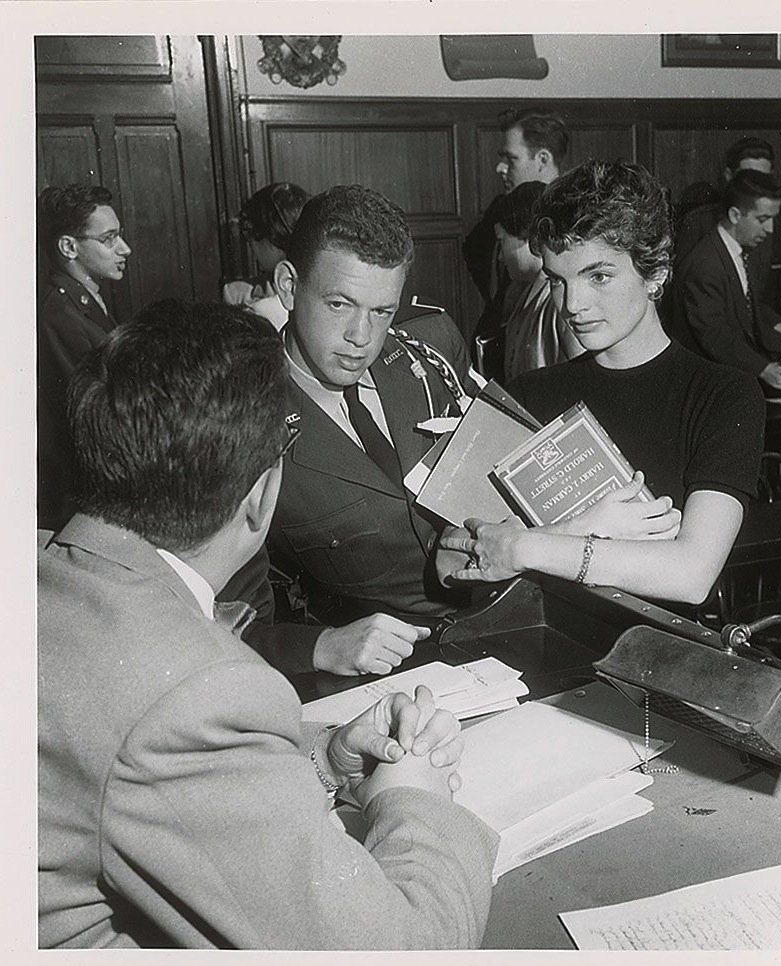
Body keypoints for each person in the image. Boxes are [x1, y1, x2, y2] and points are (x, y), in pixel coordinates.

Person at [38, 299, 497, 949]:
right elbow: (411, 951)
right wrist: (412, 797)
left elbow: (125, 783)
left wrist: (323, 760)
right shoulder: (192, 695)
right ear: (258, 499)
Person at [438, 160, 764, 607]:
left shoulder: (724, 396)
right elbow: (447, 564)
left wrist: (524, 547)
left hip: (658, 652)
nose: (573, 304)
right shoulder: (527, 394)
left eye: (599, 276)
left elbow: (691, 574)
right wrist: (583, 528)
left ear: (655, 273)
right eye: (557, 280)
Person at [226, 185, 480, 679]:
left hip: (499, 630)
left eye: (382, 312)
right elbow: (229, 619)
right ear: (287, 286)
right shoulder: (243, 424)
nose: (361, 337)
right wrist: (322, 647)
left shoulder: (428, 354)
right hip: (374, 681)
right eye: (340, 304)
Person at [37, 183, 132, 531]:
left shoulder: (87, 298)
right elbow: (94, 411)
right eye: (108, 239)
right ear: (69, 246)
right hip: (79, 497)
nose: (125, 248)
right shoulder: (60, 313)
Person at [672, 170, 781, 393]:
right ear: (734, 215)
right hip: (706, 384)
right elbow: (715, 335)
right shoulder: (704, 265)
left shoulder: (739, 251)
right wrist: (764, 369)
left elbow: (746, 315)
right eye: (762, 219)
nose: (770, 229)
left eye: (773, 219)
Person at [462, 108, 569, 364]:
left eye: (511, 159)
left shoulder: (578, 215)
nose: (500, 168)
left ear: (542, 159)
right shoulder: (500, 211)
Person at [674, 135, 781, 311]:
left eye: (763, 179)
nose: (757, 189)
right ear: (729, 176)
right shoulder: (698, 222)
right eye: (748, 179)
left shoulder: (780, 220)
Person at [495, 180, 582, 381]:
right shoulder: (526, 292)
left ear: (527, 235)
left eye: (502, 242)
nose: (500, 257)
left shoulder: (561, 300)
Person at [223, 181, 310, 328]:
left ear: (272, 239)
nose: (250, 245)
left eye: (252, 237)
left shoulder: (319, 289)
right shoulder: (237, 294)